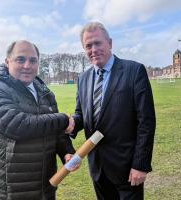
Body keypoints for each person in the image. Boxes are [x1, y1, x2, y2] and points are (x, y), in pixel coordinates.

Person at [66, 22, 156, 200]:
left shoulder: (134, 70)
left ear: (110, 43)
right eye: (88, 46)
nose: (94, 49)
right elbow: (82, 115)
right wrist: (71, 124)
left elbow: (146, 121)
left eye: (98, 43)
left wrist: (140, 164)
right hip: (98, 167)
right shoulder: (83, 78)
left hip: (127, 168)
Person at [0, 40, 77, 200]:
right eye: (20, 59)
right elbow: (16, 125)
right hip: (10, 191)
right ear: (7, 62)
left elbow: (56, 132)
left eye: (33, 60)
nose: (27, 65)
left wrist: (67, 151)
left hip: (45, 187)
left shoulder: (45, 92)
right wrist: (63, 119)